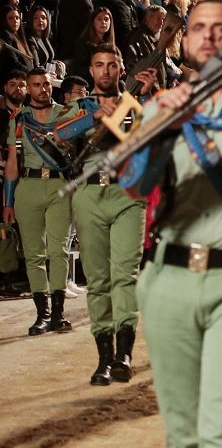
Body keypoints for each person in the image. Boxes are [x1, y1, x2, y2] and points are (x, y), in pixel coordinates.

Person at [117, 0, 222, 446]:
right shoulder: (157, 106)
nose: (210, 35)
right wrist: (158, 127)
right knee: (182, 434)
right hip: (167, 279)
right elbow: (133, 184)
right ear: (185, 41)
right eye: (198, 27)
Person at [54, 45, 156, 386]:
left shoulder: (134, 103)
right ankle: (104, 359)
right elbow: (59, 136)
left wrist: (140, 101)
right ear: (92, 70)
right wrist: (93, 117)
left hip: (127, 193)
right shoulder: (77, 106)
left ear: (122, 68)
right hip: (88, 196)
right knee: (97, 281)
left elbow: (147, 139)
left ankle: (124, 354)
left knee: (124, 275)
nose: (106, 71)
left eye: (113, 65)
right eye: (99, 65)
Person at [4, 68, 74, 336]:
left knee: (59, 250)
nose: (43, 89)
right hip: (28, 186)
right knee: (34, 254)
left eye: (46, 84)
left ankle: (58, 313)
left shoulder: (66, 114)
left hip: (59, 184)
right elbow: (12, 163)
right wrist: (8, 202)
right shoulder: (19, 119)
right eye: (36, 85)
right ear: (28, 89)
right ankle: (42, 315)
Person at [0, 70, 27, 297]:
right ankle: (4, 278)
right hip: (4, 175)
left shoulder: (29, 115)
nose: (17, 88)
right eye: (12, 84)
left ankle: (17, 275)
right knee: (3, 228)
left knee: (18, 225)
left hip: (26, 176)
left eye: (21, 84)